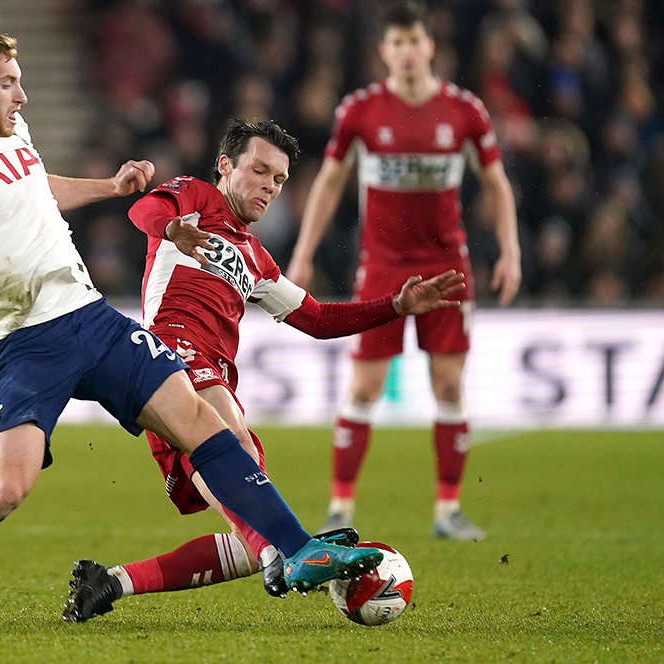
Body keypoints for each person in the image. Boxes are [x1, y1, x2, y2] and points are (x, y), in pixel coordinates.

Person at [0, 29, 386, 626]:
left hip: (92, 318)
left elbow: (34, 187)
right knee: (6, 490)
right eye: (7, 83)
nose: (22, 96)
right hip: (26, 342)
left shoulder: (12, 133)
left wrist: (107, 188)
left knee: (200, 420)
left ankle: (299, 548)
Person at [62, 118, 466, 622]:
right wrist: (173, 231)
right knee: (234, 447)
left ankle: (114, 582)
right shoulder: (196, 198)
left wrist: (395, 306)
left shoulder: (256, 258)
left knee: (252, 531)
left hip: (212, 373)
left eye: (279, 180)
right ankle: (291, 550)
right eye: (260, 171)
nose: (270, 187)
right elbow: (145, 207)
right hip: (170, 352)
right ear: (226, 166)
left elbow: (316, 319)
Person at [285, 1, 521, 540]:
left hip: (446, 266)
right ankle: (340, 510)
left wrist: (510, 248)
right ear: (383, 51)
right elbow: (329, 182)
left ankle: (447, 511)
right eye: (397, 43)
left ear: (430, 46)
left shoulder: (464, 110)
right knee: (365, 387)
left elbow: (497, 183)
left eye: (415, 41)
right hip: (384, 266)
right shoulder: (360, 110)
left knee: (448, 384)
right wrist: (302, 253)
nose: (407, 52)